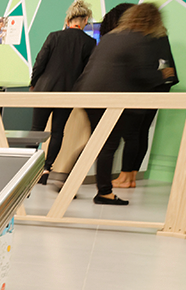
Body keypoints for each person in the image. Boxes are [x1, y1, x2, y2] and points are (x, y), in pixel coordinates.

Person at [75, 2, 174, 205]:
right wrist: (164, 74)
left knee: (96, 142)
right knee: (109, 144)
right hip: (113, 97)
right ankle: (104, 192)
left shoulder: (111, 36)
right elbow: (142, 74)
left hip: (88, 93)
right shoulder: (142, 39)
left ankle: (69, 180)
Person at [29, 0, 97, 184]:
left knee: (36, 130)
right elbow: (87, 72)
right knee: (57, 131)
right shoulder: (90, 42)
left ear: (68, 20)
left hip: (45, 89)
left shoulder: (54, 36)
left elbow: (40, 62)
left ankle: (26, 167)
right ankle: (46, 169)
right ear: (85, 20)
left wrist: (34, 83)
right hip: (68, 93)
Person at [115, 6, 175, 188]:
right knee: (141, 132)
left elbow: (145, 69)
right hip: (159, 89)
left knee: (133, 133)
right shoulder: (161, 35)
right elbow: (166, 68)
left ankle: (125, 177)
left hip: (145, 88)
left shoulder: (145, 37)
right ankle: (131, 176)